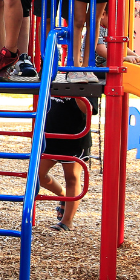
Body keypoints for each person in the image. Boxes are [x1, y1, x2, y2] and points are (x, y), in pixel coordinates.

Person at [38, 95, 95, 231]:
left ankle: (67, 221)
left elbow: (88, 109)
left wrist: (75, 92)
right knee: (37, 175)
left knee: (72, 178)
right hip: (50, 136)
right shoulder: (53, 76)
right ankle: (64, 195)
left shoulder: (86, 80)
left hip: (74, 137)